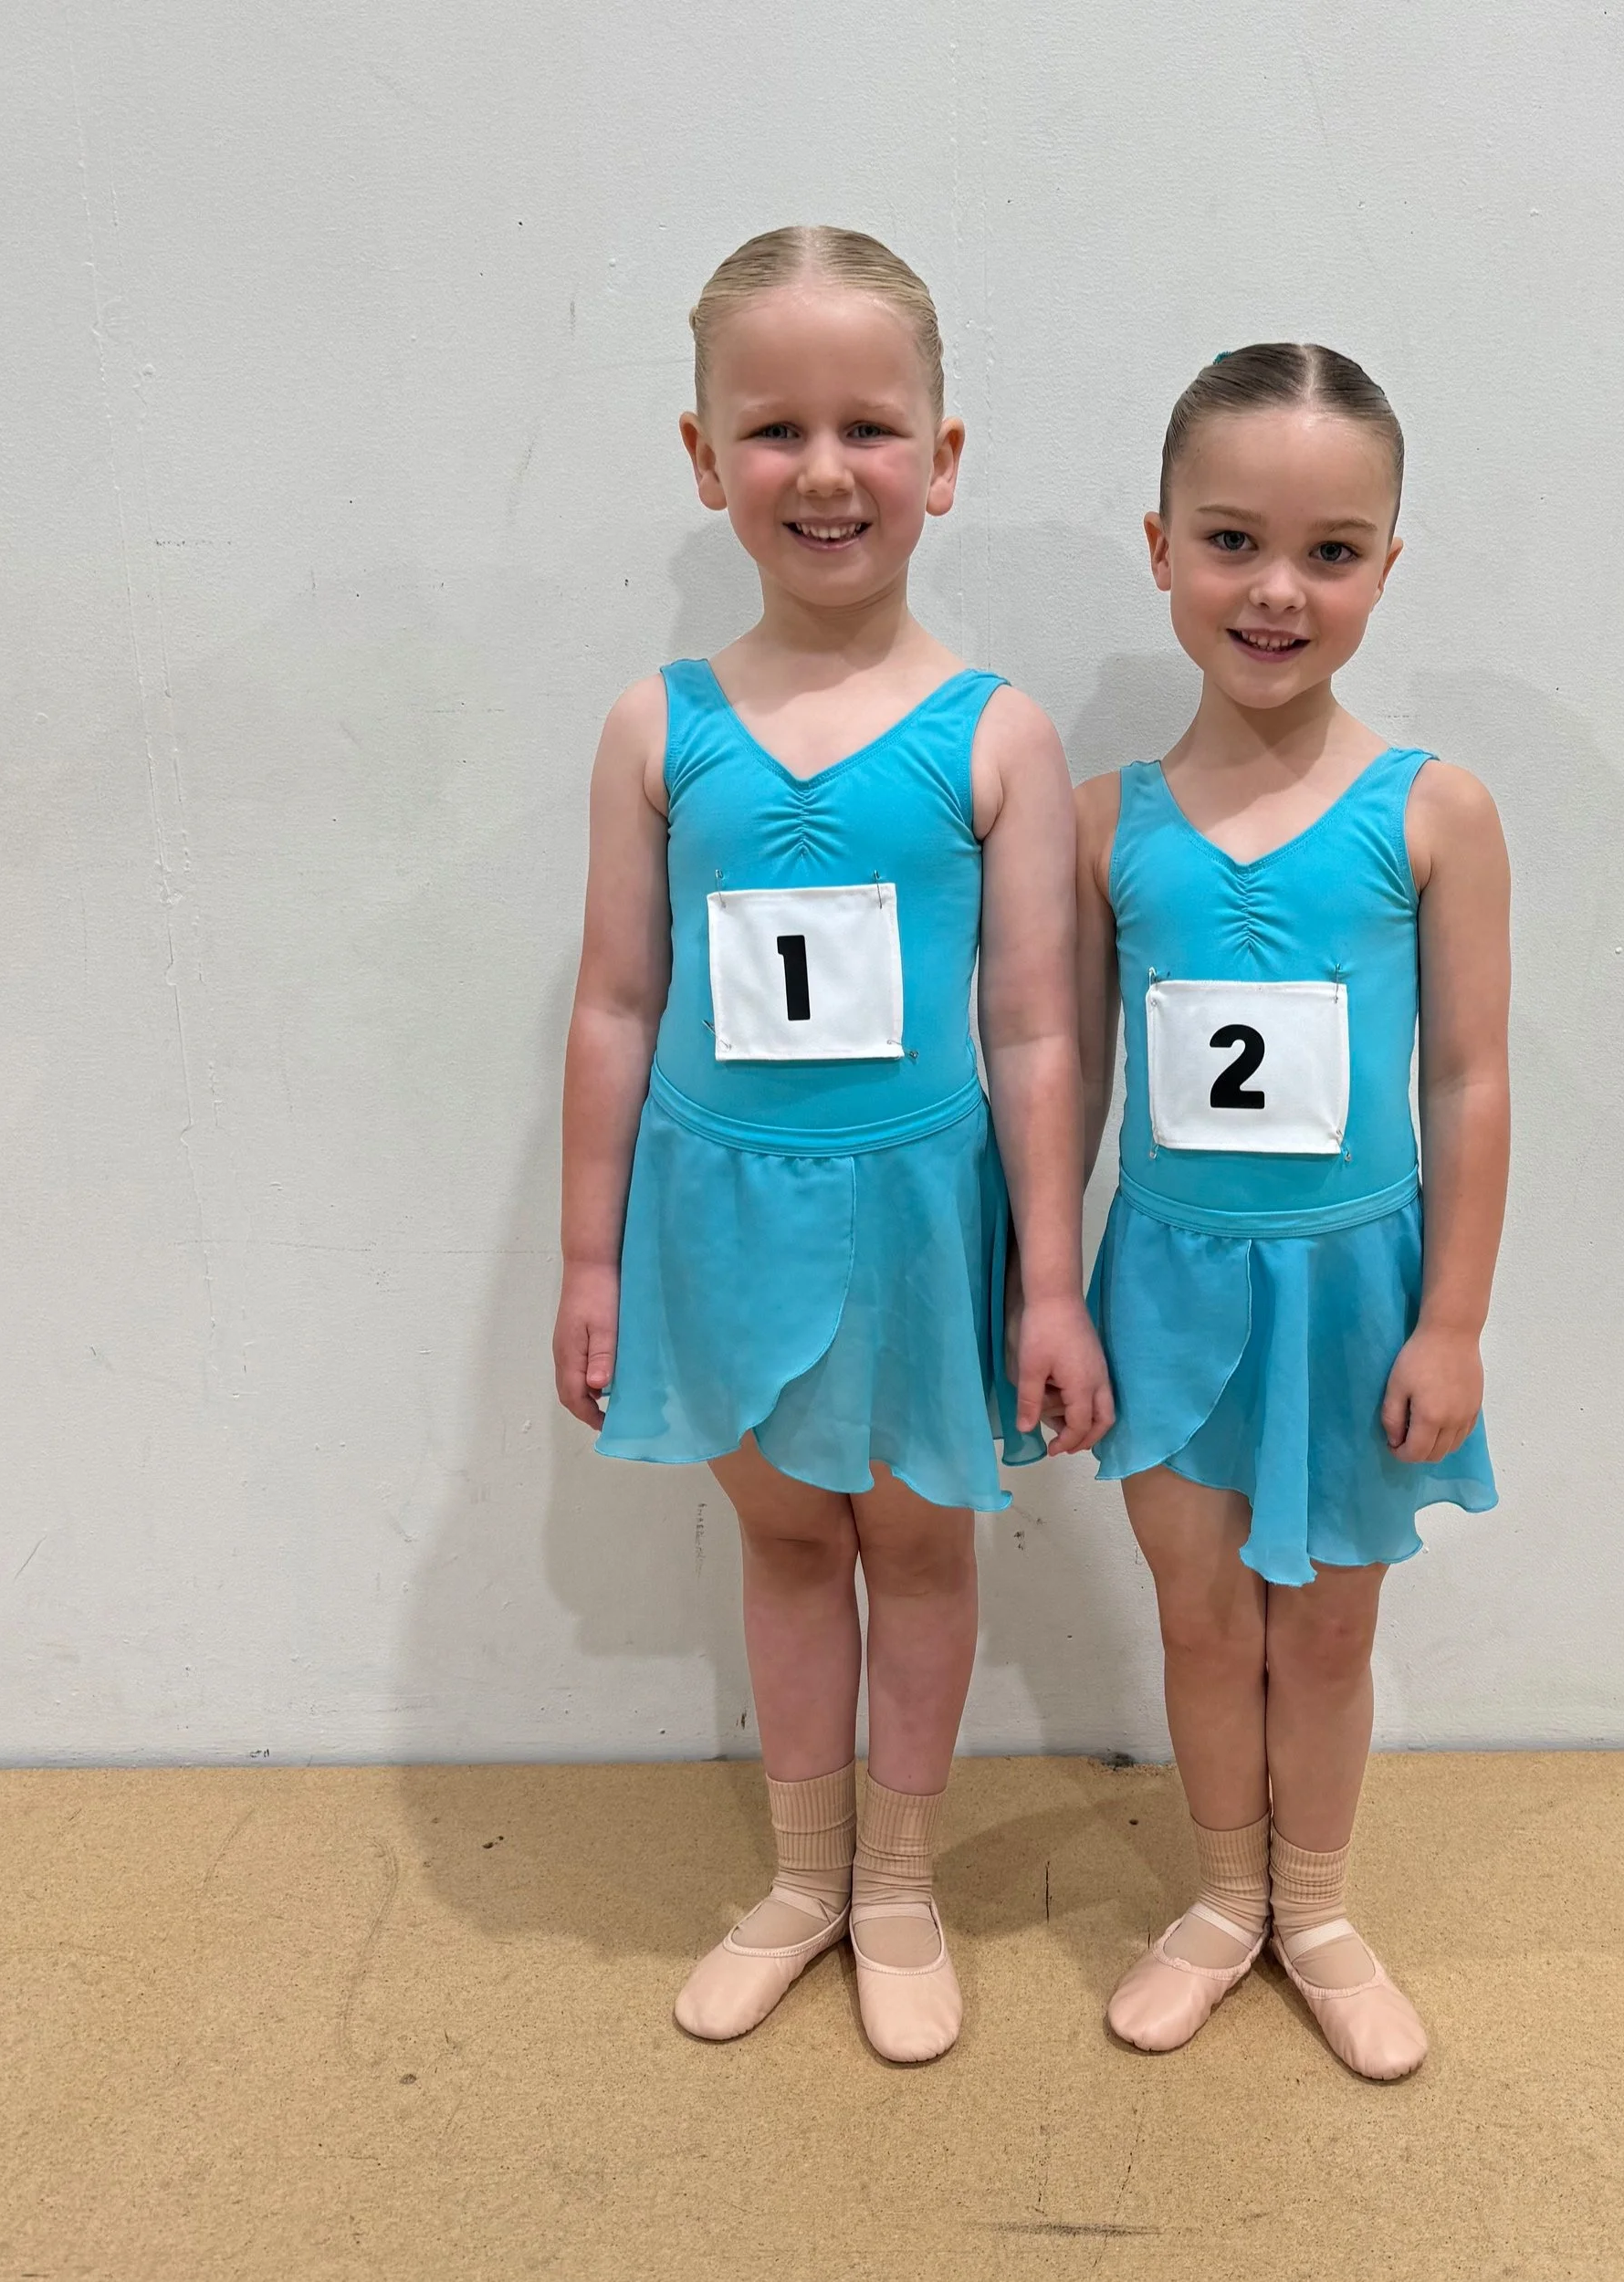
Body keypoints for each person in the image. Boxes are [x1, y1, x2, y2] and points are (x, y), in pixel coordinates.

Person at [554, 225, 1112, 2066]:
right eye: (771, 427)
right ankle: (799, 1873)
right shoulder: (661, 723)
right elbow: (619, 1002)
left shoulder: (994, 734)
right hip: (716, 1212)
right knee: (786, 1543)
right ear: (705, 459)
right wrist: (586, 1256)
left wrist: (1045, 1273)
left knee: (922, 1548)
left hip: (916, 1217)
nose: (820, 469)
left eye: (867, 426)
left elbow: (1036, 1024)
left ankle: (897, 1878)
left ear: (939, 461)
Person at [1076, 343, 1509, 2080]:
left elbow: (1469, 1078)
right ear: (1162, 545)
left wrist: (1456, 1316)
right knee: (1198, 1616)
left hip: (1358, 1294)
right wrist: (1048, 1290)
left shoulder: (1435, 815)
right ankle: (1219, 1895)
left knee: (1328, 1623)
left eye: (1332, 550)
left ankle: (1313, 1909)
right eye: (1233, 540)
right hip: (1168, 1293)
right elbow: (1068, 1082)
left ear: (1387, 567)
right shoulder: (1103, 824)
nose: (1277, 589)